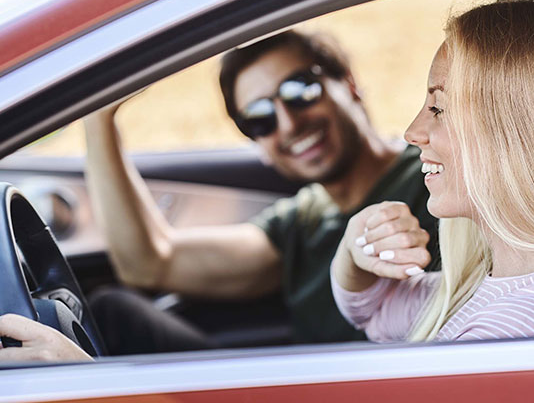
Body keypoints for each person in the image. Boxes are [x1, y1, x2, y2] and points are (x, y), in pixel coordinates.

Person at [0, 30, 436, 361]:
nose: (288, 124)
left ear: (349, 83)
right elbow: (150, 263)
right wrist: (100, 117)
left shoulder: (434, 178)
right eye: (260, 118)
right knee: (115, 312)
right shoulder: (302, 220)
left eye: (299, 90)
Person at [332, 0, 534, 343]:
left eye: (438, 108)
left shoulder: (519, 327)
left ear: (519, 134)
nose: (412, 133)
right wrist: (355, 243)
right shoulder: (483, 289)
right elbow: (373, 311)